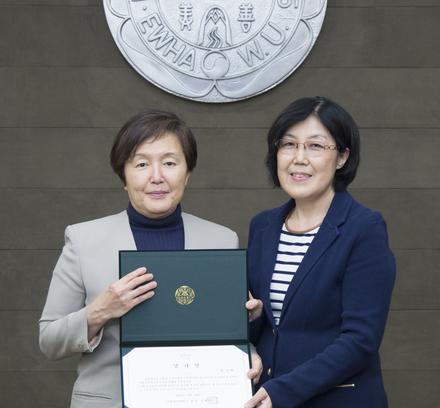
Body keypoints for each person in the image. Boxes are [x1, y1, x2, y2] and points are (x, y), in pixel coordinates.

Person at [39, 110, 241, 407]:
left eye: (170, 163)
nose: (157, 177)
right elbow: (49, 340)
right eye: (142, 164)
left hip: (200, 398)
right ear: (124, 175)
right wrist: (100, 311)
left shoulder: (223, 240)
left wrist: (248, 318)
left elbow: (230, 335)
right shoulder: (83, 240)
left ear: (187, 172)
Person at [244, 97, 396, 408]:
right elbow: (273, 326)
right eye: (288, 145)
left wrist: (284, 390)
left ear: (341, 157)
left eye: (315, 146)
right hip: (268, 397)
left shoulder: (364, 228)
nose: (299, 159)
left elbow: (360, 340)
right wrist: (253, 319)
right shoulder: (263, 226)